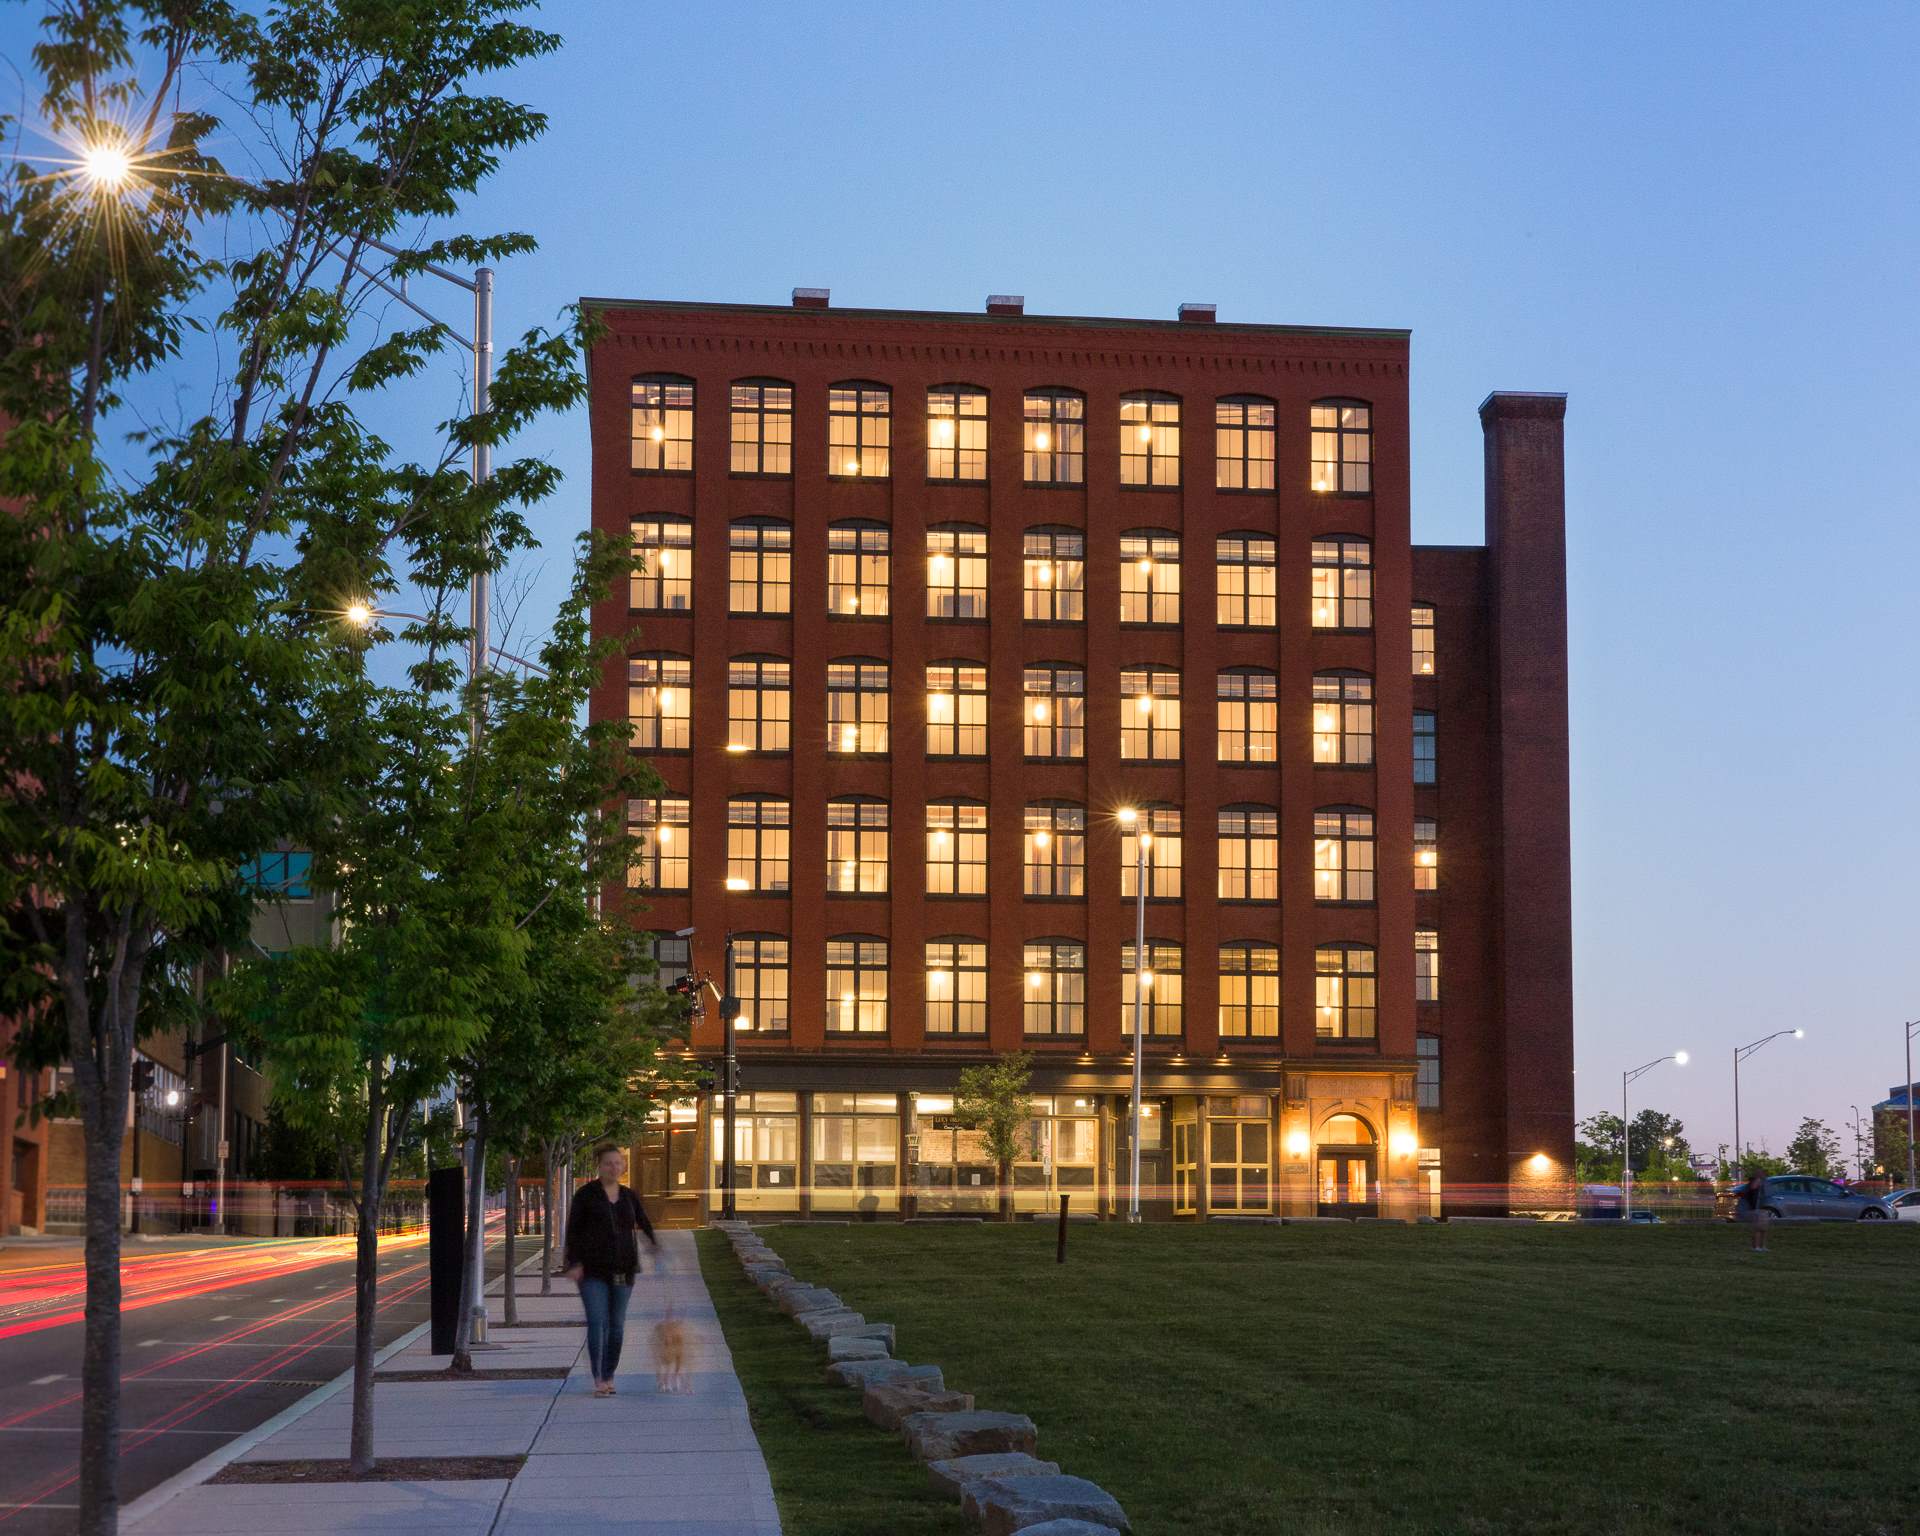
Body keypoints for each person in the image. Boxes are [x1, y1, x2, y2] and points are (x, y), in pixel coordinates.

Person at [564, 1144, 658, 1395]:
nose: (613, 1167)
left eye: (618, 1163)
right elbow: (573, 1232)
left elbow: (643, 1222)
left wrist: (653, 1243)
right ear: (600, 1166)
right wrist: (573, 1263)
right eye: (608, 1163)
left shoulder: (629, 1196)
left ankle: (609, 1374)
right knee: (597, 1323)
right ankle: (598, 1379)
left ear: (623, 1166)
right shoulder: (586, 1195)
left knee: (616, 1325)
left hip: (623, 1270)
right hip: (592, 1272)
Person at [1735, 1168, 1771, 1253]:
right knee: (1758, 1227)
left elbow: (1767, 1193)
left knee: (1764, 1227)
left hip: (1758, 1208)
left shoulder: (1764, 1182)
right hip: (1749, 1208)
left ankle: (1763, 1246)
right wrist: (1758, 1178)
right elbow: (1753, 1187)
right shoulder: (1754, 1182)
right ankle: (1756, 1247)